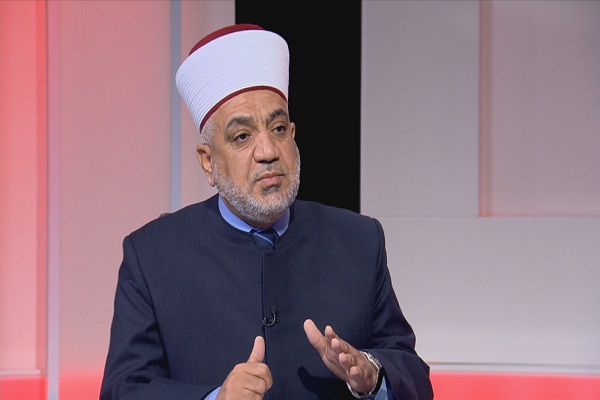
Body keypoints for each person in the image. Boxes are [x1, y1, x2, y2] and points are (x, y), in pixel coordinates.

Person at [100, 23, 433, 400]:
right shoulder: (151, 256)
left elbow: (413, 374)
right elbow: (123, 390)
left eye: (277, 129)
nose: (268, 151)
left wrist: (373, 374)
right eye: (242, 136)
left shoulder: (359, 240)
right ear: (208, 162)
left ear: (293, 135)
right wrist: (214, 398)